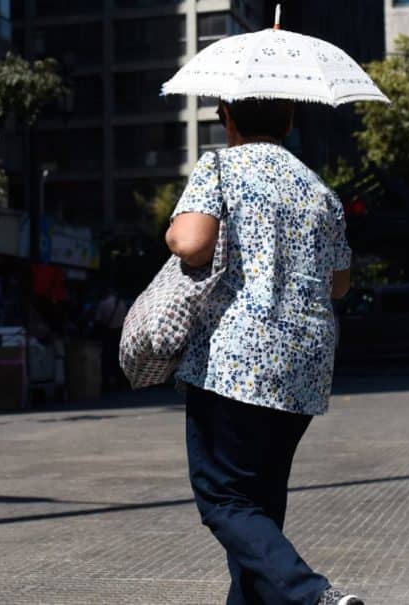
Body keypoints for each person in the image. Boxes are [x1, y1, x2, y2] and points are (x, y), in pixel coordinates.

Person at [165, 98, 362, 605]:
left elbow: (189, 243)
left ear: (228, 118)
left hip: (235, 362)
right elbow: (340, 284)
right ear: (291, 121)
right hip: (304, 365)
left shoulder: (220, 168)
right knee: (260, 507)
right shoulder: (319, 190)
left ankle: (313, 594)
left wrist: (174, 228)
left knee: (223, 498)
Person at [94, 289, 128, 391]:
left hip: (108, 333)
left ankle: (106, 383)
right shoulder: (121, 303)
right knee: (118, 359)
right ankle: (121, 382)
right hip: (120, 333)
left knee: (107, 359)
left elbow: (98, 320)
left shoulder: (103, 304)